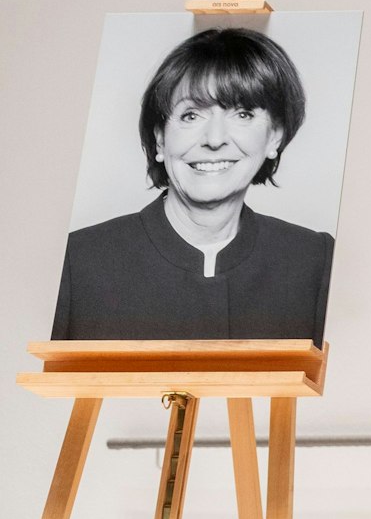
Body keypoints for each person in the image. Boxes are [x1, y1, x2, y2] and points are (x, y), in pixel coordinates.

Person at [52, 26, 334, 341]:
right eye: (190, 116)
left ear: (275, 137)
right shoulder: (75, 263)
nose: (214, 140)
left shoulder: (315, 261)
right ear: (159, 139)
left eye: (242, 114)